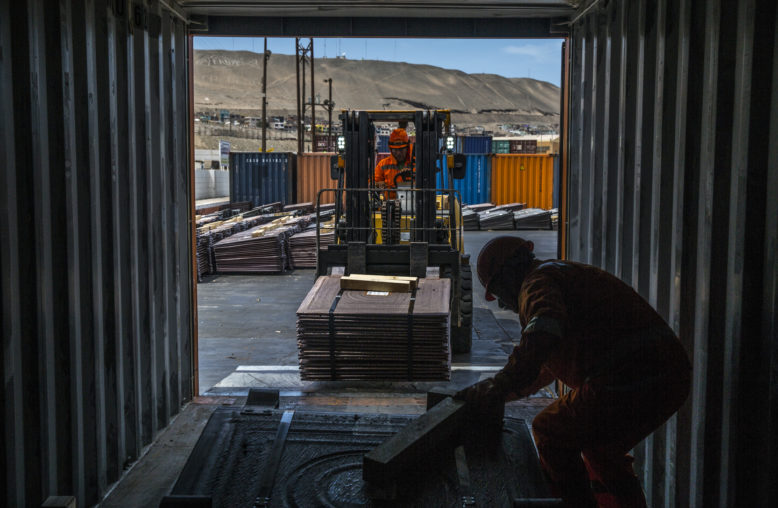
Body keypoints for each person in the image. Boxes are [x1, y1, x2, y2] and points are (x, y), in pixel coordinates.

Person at [456, 236, 692, 508]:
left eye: (498, 293)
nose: (501, 304)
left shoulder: (537, 283)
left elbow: (543, 332)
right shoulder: (563, 275)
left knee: (550, 431)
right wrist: (496, 393)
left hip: (631, 374)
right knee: (600, 448)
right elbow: (543, 367)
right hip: (666, 373)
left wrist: (499, 383)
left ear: (508, 275)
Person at [375, 128, 414, 194]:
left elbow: (425, 182)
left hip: (412, 202)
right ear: (390, 149)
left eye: (401, 149)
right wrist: (378, 184)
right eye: (395, 150)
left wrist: (411, 175)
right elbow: (372, 183)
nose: (398, 153)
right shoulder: (383, 164)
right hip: (389, 202)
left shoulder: (416, 163)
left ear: (407, 148)